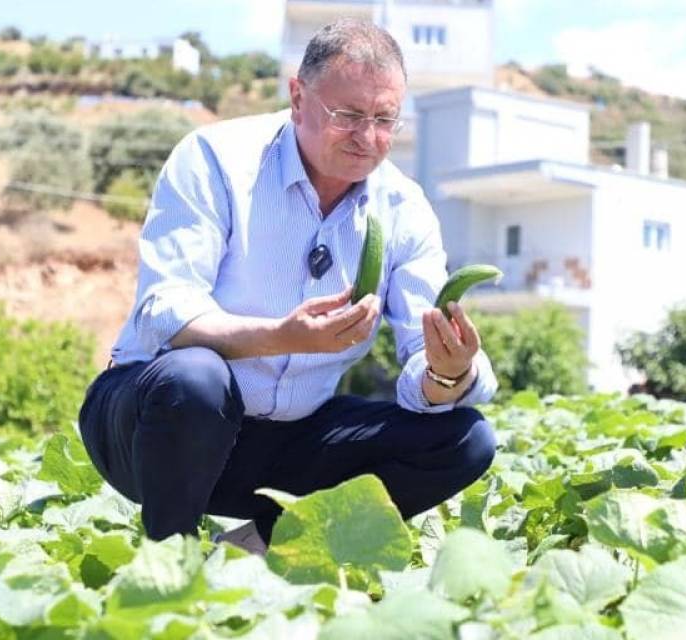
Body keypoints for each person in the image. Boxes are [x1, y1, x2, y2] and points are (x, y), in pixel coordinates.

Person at [77, 18, 499, 554]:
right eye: (347, 116)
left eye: (384, 119)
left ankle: (252, 548)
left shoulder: (403, 208)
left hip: (283, 444)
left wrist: (448, 371)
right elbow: (165, 312)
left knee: (464, 439)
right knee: (197, 378)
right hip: (152, 430)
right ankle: (170, 566)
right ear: (298, 97)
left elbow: (423, 366)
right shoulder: (215, 157)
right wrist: (281, 336)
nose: (367, 138)